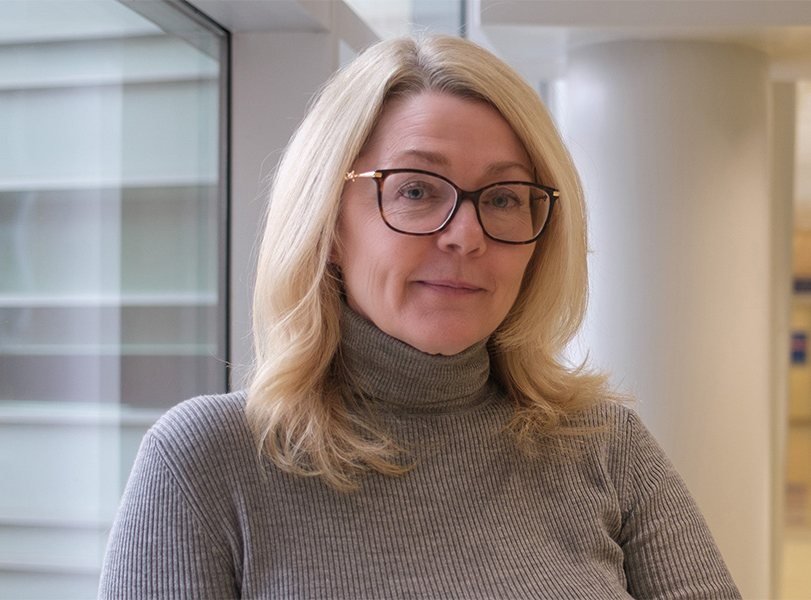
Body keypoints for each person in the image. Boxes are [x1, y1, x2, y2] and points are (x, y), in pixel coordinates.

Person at [99, 34, 740, 599]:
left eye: (505, 198)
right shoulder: (204, 464)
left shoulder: (604, 445)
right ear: (327, 225)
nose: (466, 235)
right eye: (414, 189)